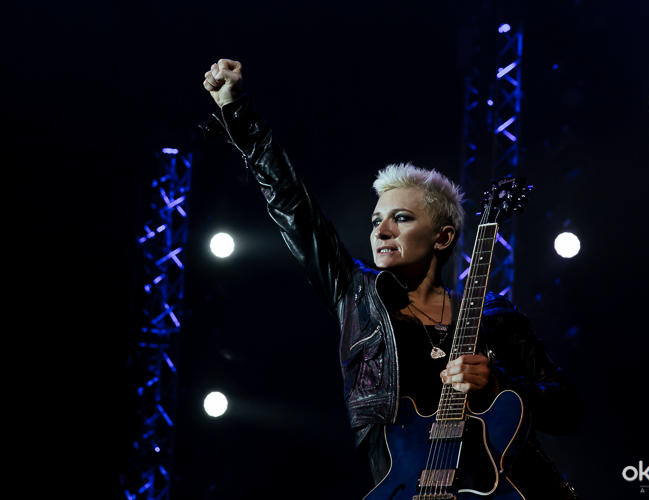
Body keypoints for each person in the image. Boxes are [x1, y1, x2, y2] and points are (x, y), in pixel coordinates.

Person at [200, 59, 582, 498]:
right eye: (376, 220)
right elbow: (294, 208)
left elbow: (567, 408)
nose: (381, 231)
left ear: (443, 237)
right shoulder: (359, 296)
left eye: (400, 218)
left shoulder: (495, 314)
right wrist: (237, 110)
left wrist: (499, 383)